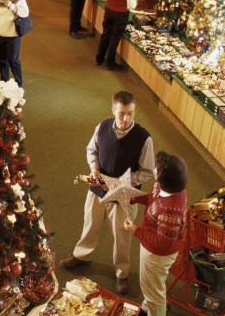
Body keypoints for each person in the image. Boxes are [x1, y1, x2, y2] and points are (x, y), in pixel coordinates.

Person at [60, 90, 155, 295]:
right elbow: (91, 150)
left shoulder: (143, 138)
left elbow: (147, 171)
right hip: (97, 189)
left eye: (130, 113)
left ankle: (122, 273)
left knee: (122, 236)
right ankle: (82, 255)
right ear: (113, 110)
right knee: (91, 224)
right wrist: (94, 167)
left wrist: (124, 182)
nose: (126, 118)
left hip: (124, 196)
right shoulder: (102, 126)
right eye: (121, 113)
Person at [123, 151, 188, 316]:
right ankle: (149, 307)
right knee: (151, 284)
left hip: (158, 253)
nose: (154, 170)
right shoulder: (166, 186)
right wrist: (135, 196)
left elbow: (163, 242)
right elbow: (153, 198)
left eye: (157, 169)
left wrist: (135, 230)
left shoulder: (171, 209)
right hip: (153, 247)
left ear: (164, 176)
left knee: (152, 287)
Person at [95, 0, 138, 70]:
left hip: (109, 11)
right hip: (121, 15)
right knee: (115, 38)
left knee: (105, 34)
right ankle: (110, 62)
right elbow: (132, 5)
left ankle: (99, 58)